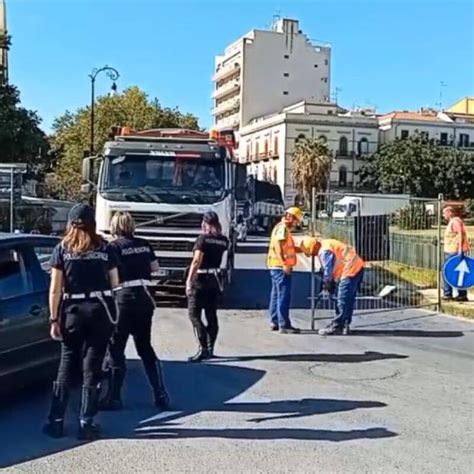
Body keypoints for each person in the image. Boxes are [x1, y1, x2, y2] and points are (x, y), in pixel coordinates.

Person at [43, 203, 118, 440]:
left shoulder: (62, 249)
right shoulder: (105, 248)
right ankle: (86, 423)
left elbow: (55, 289)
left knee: (66, 363)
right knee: (92, 366)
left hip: (72, 312)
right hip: (100, 310)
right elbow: (115, 283)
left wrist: (54, 318)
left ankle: (56, 422)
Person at [100, 211, 170, 410]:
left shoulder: (112, 247)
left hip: (123, 298)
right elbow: (155, 268)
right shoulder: (144, 243)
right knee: (145, 347)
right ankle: (160, 393)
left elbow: (109, 275)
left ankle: (114, 398)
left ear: (115, 227)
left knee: (116, 347)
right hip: (144, 297)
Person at [185, 212, 229, 362]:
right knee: (211, 316)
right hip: (214, 279)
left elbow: (196, 261)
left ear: (205, 223)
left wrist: (189, 281)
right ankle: (210, 348)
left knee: (194, 315)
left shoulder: (202, 239)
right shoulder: (224, 241)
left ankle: (202, 348)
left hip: (201, 279)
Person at [301, 236, 364, 336]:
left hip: (350, 269)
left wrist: (327, 284)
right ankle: (345, 325)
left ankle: (337, 326)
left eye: (311, 253)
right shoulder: (327, 243)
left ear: (313, 249)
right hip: (356, 266)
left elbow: (328, 269)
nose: (312, 256)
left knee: (342, 300)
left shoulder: (324, 251)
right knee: (348, 299)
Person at [266, 207, 303, 334]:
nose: (296, 224)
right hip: (280, 267)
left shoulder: (280, 227)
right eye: (296, 221)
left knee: (276, 294)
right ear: (291, 217)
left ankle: (275, 321)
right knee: (283, 295)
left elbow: (288, 247)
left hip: (275, 266)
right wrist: (285, 264)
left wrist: (301, 249)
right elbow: (279, 246)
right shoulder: (282, 229)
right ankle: (284, 324)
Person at [443, 206, 470, 302]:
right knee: (459, 274)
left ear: (450, 213)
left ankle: (447, 294)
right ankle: (461, 295)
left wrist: (459, 249)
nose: (443, 215)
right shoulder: (454, 222)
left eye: (444, 213)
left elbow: (460, 234)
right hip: (453, 250)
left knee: (448, 273)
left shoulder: (455, 222)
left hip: (453, 251)